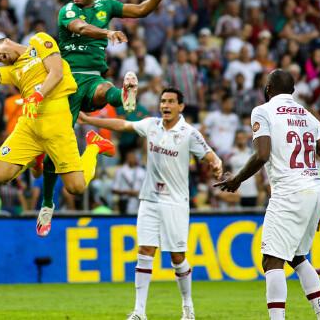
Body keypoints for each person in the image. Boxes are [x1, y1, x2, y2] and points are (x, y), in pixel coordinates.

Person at [0, 19, 115, 237]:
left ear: (8, 41)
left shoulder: (39, 41)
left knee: (76, 188)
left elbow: (56, 73)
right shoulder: (13, 72)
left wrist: (38, 95)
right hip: (29, 127)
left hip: (57, 124)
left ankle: (94, 146)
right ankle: (35, 157)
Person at [40, 0, 182, 231]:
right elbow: (79, 28)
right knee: (55, 143)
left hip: (93, 77)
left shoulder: (108, 6)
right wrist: (107, 34)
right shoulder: (67, 11)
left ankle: (124, 94)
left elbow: (140, 10)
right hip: (67, 81)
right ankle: (47, 203)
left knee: (106, 92)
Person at [79, 88, 223, 320]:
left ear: (181, 107)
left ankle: (188, 306)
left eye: (171, 102)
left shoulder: (189, 133)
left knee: (177, 257)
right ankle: (139, 311)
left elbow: (211, 156)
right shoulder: (151, 125)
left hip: (175, 202)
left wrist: (217, 165)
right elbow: (122, 124)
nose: (165, 105)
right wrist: (88, 119)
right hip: (149, 199)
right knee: (145, 252)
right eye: (163, 101)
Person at [215, 69, 320, 320]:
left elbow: (262, 154)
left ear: (267, 89)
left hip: (289, 191)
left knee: (271, 260)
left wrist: (236, 179)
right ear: (293, 91)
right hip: (315, 190)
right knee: (298, 257)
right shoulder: (309, 116)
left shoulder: (263, 111)